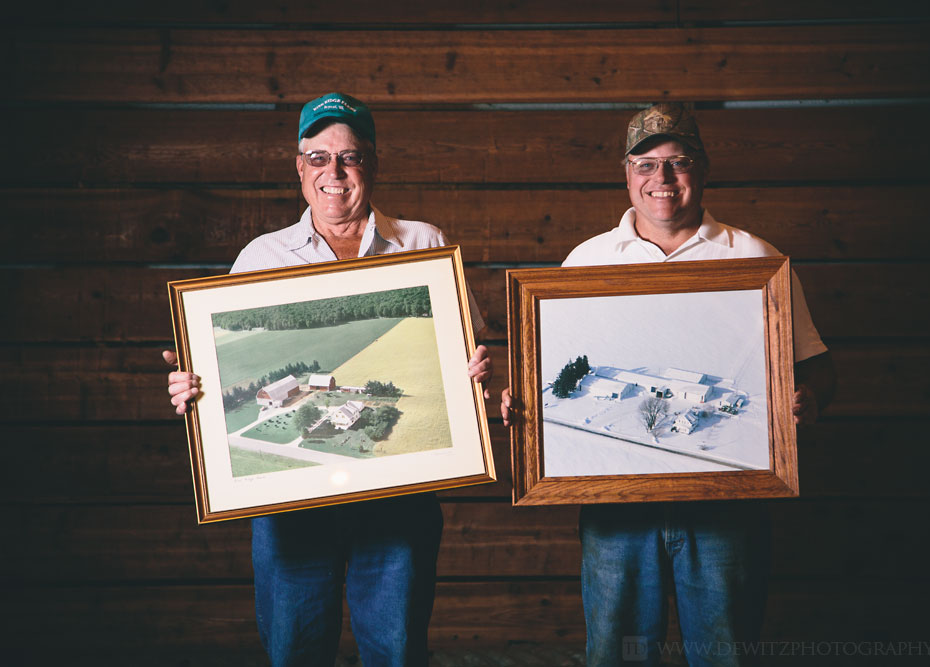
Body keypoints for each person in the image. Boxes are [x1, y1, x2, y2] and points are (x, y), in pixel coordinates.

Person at [163, 92, 494, 667]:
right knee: (294, 650)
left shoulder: (425, 244)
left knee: (396, 650)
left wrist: (481, 375)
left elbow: (475, 359)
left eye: (350, 157)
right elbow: (218, 378)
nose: (334, 172)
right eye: (319, 158)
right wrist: (196, 389)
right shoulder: (259, 258)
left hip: (399, 499)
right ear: (299, 166)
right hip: (290, 511)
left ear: (372, 162)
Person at [501, 103, 835, 667]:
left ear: (702, 169)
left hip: (728, 506)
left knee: (726, 653)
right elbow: (555, 379)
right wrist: (524, 404)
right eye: (647, 163)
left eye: (678, 162)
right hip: (616, 509)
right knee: (617, 654)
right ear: (627, 174)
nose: (662, 178)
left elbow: (817, 368)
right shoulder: (587, 261)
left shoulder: (755, 258)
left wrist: (809, 401)